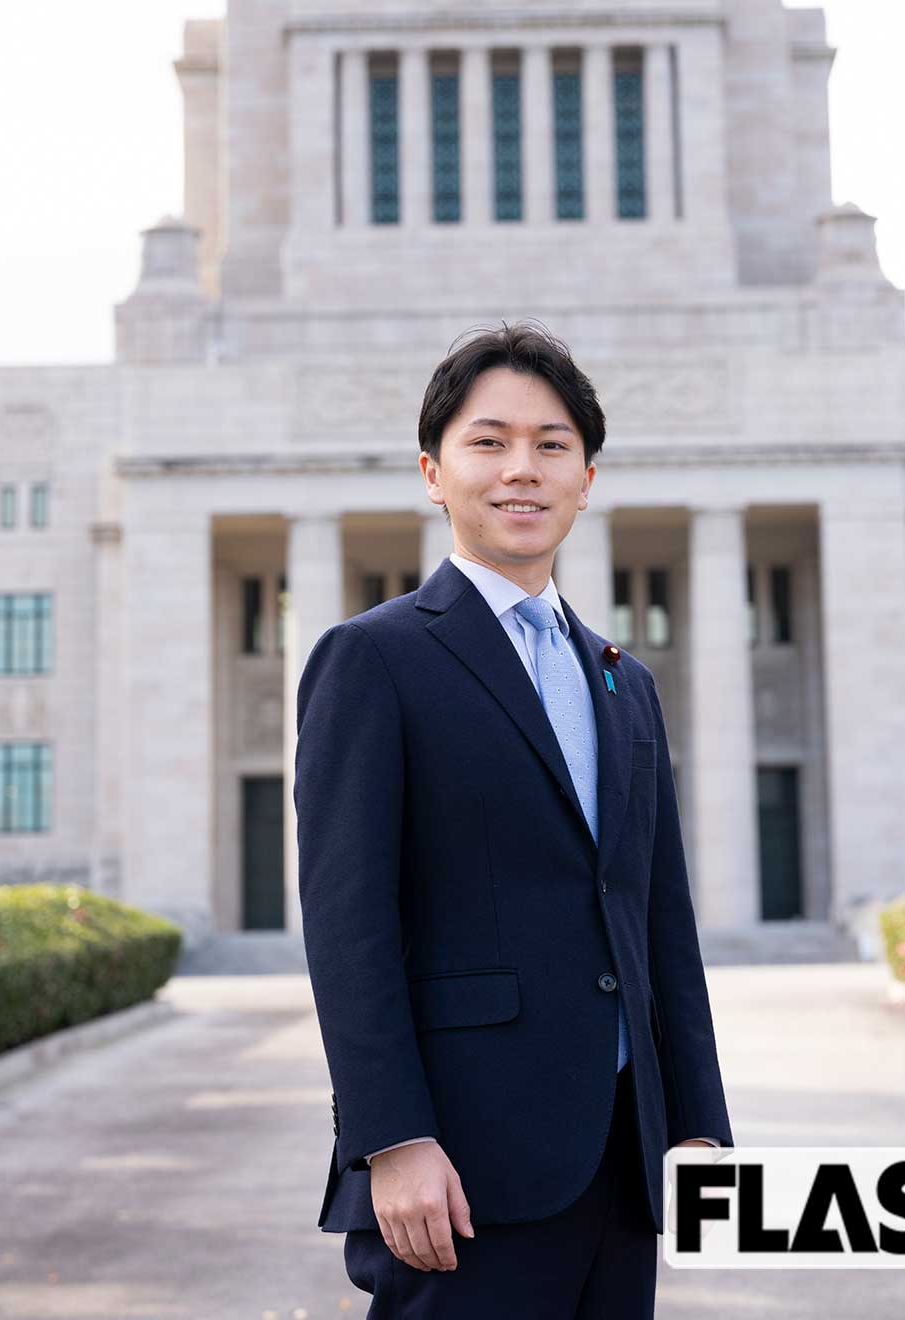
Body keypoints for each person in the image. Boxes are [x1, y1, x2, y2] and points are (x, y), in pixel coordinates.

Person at [294, 320, 732, 1315]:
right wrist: (391, 1139)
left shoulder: (626, 682)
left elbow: (659, 920)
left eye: (552, 445)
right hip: (459, 1172)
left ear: (587, 479)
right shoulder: (375, 660)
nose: (520, 470)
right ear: (433, 472)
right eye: (487, 443)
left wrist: (697, 1125)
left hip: (624, 1162)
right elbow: (348, 922)